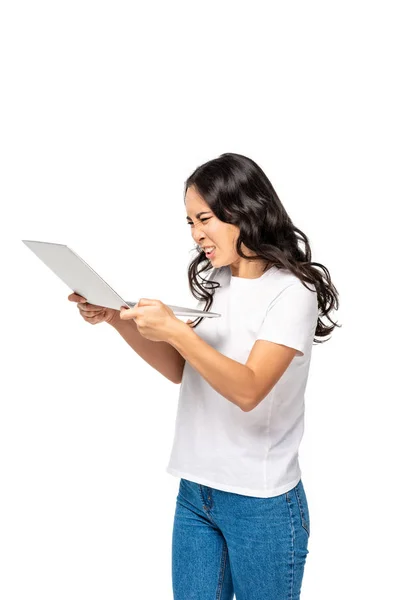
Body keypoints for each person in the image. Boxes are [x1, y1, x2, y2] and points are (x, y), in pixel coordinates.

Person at [69, 152, 340, 599]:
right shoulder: (218, 280)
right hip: (197, 493)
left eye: (205, 219)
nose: (197, 235)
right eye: (190, 223)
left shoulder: (293, 292)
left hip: (262, 504)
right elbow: (181, 369)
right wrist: (117, 320)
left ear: (242, 211)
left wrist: (176, 330)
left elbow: (249, 388)